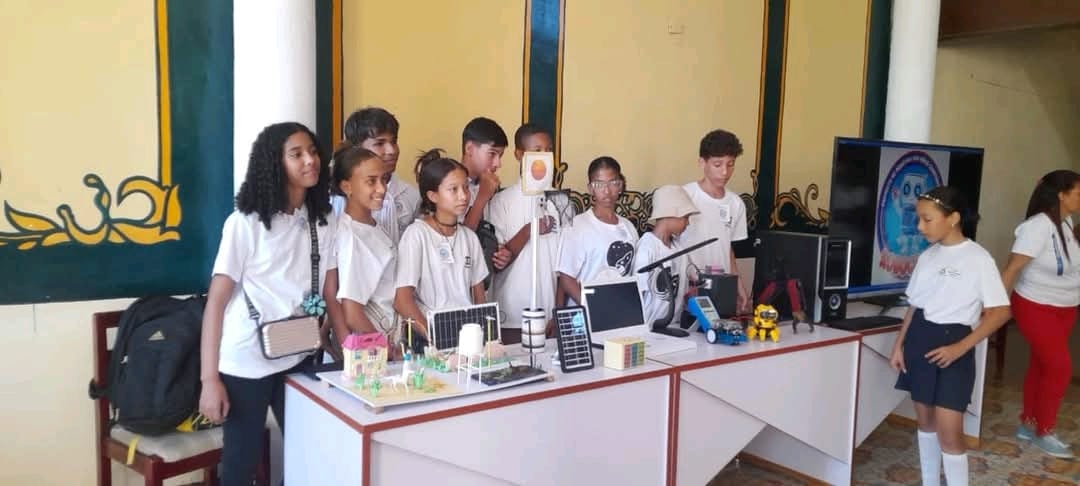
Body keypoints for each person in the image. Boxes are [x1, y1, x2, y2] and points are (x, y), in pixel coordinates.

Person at [198, 122, 337, 485]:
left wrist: (340, 343)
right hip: (247, 357)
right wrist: (209, 379)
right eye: (296, 154)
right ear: (274, 162)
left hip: (298, 349)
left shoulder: (322, 219)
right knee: (241, 463)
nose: (310, 160)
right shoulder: (245, 223)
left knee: (312, 453)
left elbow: (330, 291)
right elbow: (216, 304)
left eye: (313, 151)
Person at [888, 186, 1010, 486]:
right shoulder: (927, 256)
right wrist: (899, 345)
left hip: (955, 343)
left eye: (927, 219)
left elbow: (1000, 312)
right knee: (926, 422)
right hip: (919, 340)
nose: (920, 227)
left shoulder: (978, 258)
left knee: (950, 432)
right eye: (919, 219)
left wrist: (960, 348)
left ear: (953, 218)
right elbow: (915, 306)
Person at [999, 169, 1080, 459]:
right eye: (1078, 193)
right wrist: (996, 307)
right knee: (1060, 369)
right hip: (1035, 306)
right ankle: (1045, 431)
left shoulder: (1067, 222)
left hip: (1065, 307)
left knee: (1042, 366)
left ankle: (1028, 423)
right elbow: (1012, 269)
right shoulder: (1036, 227)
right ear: (1061, 195)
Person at [394, 149, 490, 344]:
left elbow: (479, 296)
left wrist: (484, 338)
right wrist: (434, 338)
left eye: (465, 188)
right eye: (453, 189)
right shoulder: (417, 234)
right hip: (429, 337)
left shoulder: (469, 237)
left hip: (467, 337)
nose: (463, 196)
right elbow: (402, 300)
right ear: (433, 196)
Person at [486, 123, 566, 342]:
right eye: (536, 150)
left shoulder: (558, 202)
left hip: (548, 311)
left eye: (549, 150)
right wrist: (530, 229)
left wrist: (558, 311)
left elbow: (564, 265)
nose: (544, 156)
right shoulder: (502, 201)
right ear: (519, 154)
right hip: (512, 315)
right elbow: (497, 262)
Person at [324, 144, 402, 355]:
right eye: (371, 181)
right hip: (371, 349)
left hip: (384, 337)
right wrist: (388, 350)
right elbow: (352, 313)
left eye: (384, 179)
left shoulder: (371, 226)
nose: (382, 188)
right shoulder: (351, 237)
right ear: (347, 186)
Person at [680, 129, 750, 313]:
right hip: (688, 287)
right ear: (702, 162)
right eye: (718, 165)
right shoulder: (685, 196)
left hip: (721, 286)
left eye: (731, 164)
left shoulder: (735, 203)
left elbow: (728, 249)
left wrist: (738, 286)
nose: (725, 172)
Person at [557, 156, 639, 305]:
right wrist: (592, 307)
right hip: (586, 311)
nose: (607, 191)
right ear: (591, 189)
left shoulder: (629, 227)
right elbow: (566, 279)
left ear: (620, 186)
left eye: (613, 183)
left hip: (620, 310)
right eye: (599, 184)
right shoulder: (577, 226)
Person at [334, 106, 420, 243]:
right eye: (379, 143)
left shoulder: (411, 196)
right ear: (357, 149)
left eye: (394, 141)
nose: (391, 151)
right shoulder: (337, 199)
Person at [635, 185, 699, 324]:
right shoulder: (647, 247)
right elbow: (638, 294)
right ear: (670, 214)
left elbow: (694, 278)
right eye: (685, 217)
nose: (688, 223)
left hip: (674, 326)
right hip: (650, 328)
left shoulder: (679, 249)